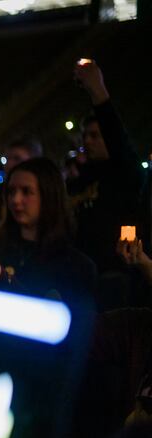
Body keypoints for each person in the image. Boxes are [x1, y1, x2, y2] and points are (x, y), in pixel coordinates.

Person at [0, 158, 96, 309]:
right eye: (11, 191)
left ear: (49, 196)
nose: (15, 199)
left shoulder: (75, 265)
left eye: (26, 191)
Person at [67, 60, 146, 281]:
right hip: (80, 274)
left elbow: (117, 139)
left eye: (95, 135)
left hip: (114, 275)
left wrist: (98, 91)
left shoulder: (123, 173)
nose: (88, 141)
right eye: (85, 136)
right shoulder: (80, 177)